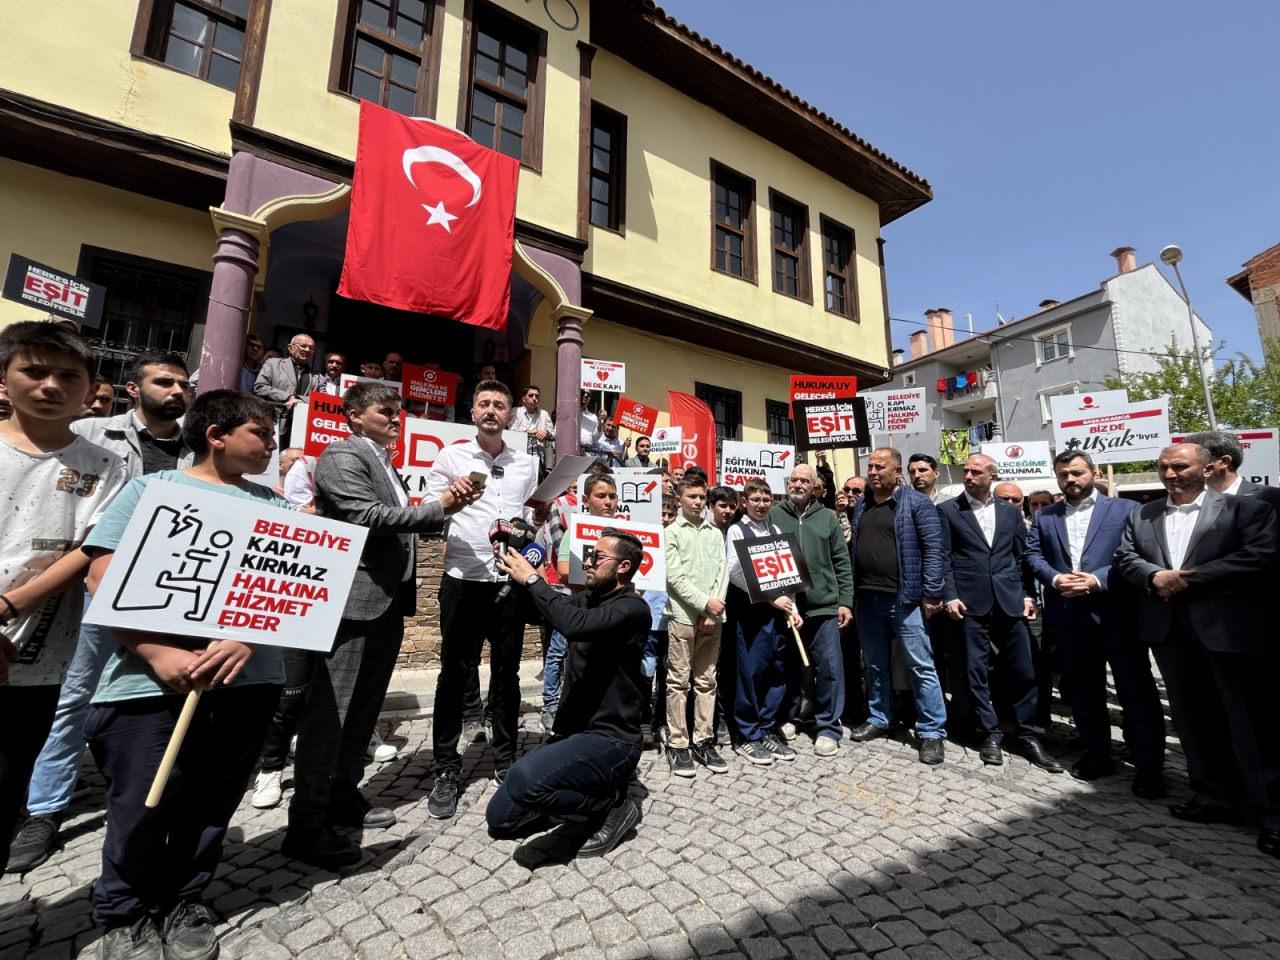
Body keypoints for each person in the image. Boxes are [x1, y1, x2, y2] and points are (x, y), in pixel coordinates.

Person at [80, 390, 285, 960]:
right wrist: (156, 652)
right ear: (216, 434)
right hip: (149, 684)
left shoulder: (278, 508)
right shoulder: (153, 490)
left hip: (249, 681)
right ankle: (123, 911)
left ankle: (187, 896)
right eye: (260, 433)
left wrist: (249, 635)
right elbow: (101, 577)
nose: (271, 444)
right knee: (141, 802)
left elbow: (297, 596)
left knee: (213, 800)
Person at [9, 349, 193, 874]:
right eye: (164, 382)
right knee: (76, 694)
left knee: (159, 694)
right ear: (134, 388)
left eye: (182, 384)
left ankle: (147, 792)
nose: (176, 392)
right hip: (98, 584)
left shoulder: (196, 446)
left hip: (171, 589)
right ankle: (44, 807)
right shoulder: (94, 435)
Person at [283, 381, 476, 867]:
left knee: (364, 710)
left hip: (385, 602)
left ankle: (342, 795)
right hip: (350, 602)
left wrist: (441, 513)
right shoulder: (340, 456)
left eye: (399, 412)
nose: (397, 419)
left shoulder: (383, 459)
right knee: (332, 712)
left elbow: (400, 517)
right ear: (353, 416)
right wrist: (440, 510)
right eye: (386, 411)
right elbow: (366, 516)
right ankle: (306, 823)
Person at [0, 323, 126, 873]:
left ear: (87, 388)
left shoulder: (104, 465)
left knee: (14, 767)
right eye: (35, 371)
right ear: (5, 381)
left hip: (42, 642)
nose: (50, 385)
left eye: (67, 376)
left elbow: (93, 545)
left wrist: (12, 605)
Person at [1115, 443, 1280, 857]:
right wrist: (1154, 576)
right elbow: (1126, 556)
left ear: (1207, 469)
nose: (1170, 474)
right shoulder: (1143, 513)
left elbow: (1259, 556)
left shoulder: (1246, 509)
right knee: (1191, 718)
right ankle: (1213, 798)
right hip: (1169, 631)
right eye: (1163, 467)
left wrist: (1187, 578)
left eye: (1179, 466)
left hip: (1227, 631)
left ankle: (1271, 813)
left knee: (1250, 723)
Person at [486, 530, 650, 858]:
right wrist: (514, 568)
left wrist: (534, 580)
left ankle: (611, 803)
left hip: (612, 739)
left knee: (522, 778)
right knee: (500, 818)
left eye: (598, 557)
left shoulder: (633, 609)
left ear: (623, 567)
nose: (588, 562)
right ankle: (577, 793)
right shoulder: (586, 598)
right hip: (575, 733)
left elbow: (573, 624)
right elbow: (545, 612)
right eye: (590, 555)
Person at [425, 380, 539, 819]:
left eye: (500, 405)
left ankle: (505, 759)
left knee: (507, 675)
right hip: (463, 578)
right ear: (472, 411)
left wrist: (533, 527)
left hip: (509, 580)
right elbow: (430, 512)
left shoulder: (527, 463)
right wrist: (451, 497)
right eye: (484, 403)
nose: (492, 410)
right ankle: (446, 768)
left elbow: (528, 518)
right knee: (454, 674)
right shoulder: (450, 457)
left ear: (511, 416)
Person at [1027, 451, 1165, 796]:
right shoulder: (1045, 516)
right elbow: (1033, 556)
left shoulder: (1127, 510)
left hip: (1117, 613)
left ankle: (1148, 766)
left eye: (1076, 473)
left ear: (1093, 473)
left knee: (1136, 691)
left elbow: (1136, 555)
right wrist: (1056, 580)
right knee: (1084, 691)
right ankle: (1097, 753)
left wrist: (1098, 579)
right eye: (1063, 475)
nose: (1070, 480)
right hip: (1070, 616)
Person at [937, 453, 1062, 772]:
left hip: (1009, 601)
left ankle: (1028, 732)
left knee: (1023, 668)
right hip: (969, 602)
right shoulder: (949, 511)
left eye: (975, 471)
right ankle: (989, 732)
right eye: (965, 471)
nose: (967, 476)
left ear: (991, 476)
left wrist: (1027, 594)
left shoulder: (1009, 512)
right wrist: (949, 595)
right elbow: (944, 557)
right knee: (975, 671)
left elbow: (1022, 559)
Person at [847, 448, 948, 765]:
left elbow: (934, 548)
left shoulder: (915, 503)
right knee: (875, 664)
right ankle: (880, 717)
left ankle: (931, 732)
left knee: (920, 665)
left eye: (881, 466)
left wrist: (932, 591)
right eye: (870, 466)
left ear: (897, 470)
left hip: (903, 599)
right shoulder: (862, 504)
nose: (873, 471)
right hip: (866, 598)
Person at [770, 463, 852, 757]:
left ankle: (828, 726)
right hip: (787, 606)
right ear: (788, 483)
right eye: (794, 480)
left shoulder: (827, 518)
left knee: (829, 668)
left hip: (823, 605)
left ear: (815, 485)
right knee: (788, 666)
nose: (798, 485)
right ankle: (791, 716)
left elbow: (842, 561)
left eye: (805, 480)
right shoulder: (774, 514)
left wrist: (845, 601)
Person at [724, 480, 801, 766]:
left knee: (777, 672)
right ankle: (747, 734)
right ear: (744, 501)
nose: (761, 504)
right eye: (755, 499)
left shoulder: (777, 530)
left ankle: (767, 727)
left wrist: (793, 607)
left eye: (766, 499)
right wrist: (771, 598)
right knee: (751, 673)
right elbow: (735, 571)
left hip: (779, 614)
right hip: (752, 613)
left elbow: (788, 572)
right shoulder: (736, 530)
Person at [662, 475, 729, 776]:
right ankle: (678, 742)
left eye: (702, 497)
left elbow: (722, 572)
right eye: (692, 497)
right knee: (678, 681)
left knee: (707, 681)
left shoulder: (714, 533)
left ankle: (704, 738)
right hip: (683, 617)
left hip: (712, 618)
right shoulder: (671, 532)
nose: (698, 502)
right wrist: (704, 603)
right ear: (679, 498)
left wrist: (713, 607)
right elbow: (674, 578)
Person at [543, 473, 617, 732]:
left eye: (612, 496)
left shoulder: (623, 532)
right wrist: (599, 580)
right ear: (587, 500)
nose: (608, 501)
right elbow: (564, 570)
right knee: (559, 654)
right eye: (601, 496)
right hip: (576, 607)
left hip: (608, 612)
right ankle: (551, 707)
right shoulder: (576, 530)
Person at [640, 496, 677, 745]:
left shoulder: (677, 541)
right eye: (661, 514)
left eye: (670, 515)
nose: (665, 519)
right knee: (646, 671)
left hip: (671, 618)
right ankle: (643, 719)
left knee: (667, 673)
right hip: (648, 619)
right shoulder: (645, 541)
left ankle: (662, 720)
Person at [1186, 430, 1280, 506]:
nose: (1173, 473)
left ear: (1224, 462)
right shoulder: (1182, 499)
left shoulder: (1270, 497)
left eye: (1186, 464)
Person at [254, 333, 315, 443]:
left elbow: (321, 400)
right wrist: (288, 397)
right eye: (303, 346)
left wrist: (299, 399)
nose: (307, 350)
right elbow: (260, 387)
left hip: (301, 429)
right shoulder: (273, 364)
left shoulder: (316, 376)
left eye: (311, 348)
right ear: (290, 348)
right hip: (273, 422)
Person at [511, 384, 555, 467]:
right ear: (524, 399)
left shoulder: (544, 414)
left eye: (537, 396)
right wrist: (528, 431)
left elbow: (553, 435)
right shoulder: (515, 411)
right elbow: (511, 430)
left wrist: (546, 433)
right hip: (519, 455)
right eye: (531, 395)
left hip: (538, 456)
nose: (534, 398)